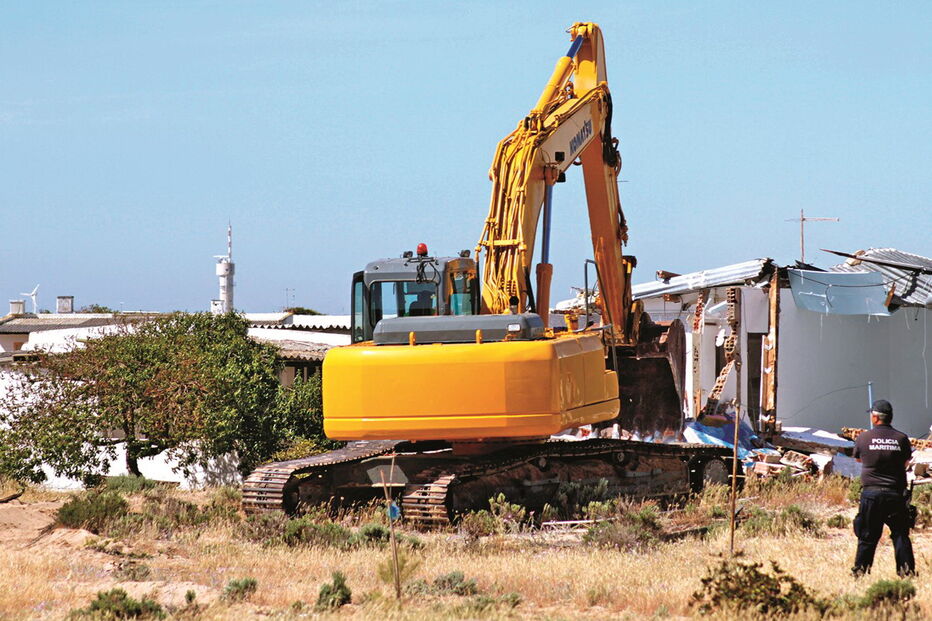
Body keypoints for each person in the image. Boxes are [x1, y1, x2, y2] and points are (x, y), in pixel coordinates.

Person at [851, 399, 915, 577]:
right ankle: (906, 572)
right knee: (900, 534)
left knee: (867, 536)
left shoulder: (864, 438)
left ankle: (861, 571)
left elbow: (858, 459)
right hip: (896, 494)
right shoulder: (901, 438)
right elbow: (906, 462)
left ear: (875, 417)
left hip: (871, 494)